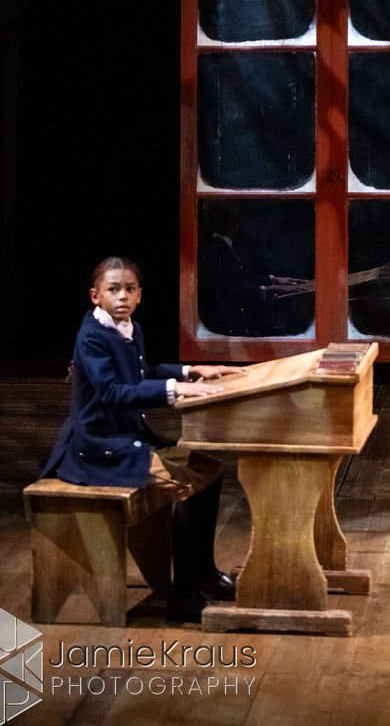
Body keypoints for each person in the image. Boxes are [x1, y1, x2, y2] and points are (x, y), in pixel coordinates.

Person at [41, 256, 246, 623]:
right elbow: (113, 391)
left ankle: (204, 574)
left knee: (209, 470)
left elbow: (143, 373)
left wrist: (191, 369)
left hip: (128, 438)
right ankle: (182, 597)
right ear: (95, 296)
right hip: (98, 448)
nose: (122, 296)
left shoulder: (129, 329)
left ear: (139, 295)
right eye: (113, 289)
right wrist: (174, 389)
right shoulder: (92, 337)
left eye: (129, 289)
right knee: (191, 485)